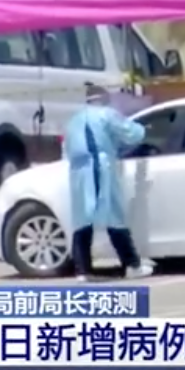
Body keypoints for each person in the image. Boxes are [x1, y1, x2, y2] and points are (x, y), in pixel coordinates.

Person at [64, 84, 154, 281]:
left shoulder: (74, 121)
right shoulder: (107, 115)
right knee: (114, 215)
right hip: (100, 169)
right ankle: (132, 265)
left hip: (78, 173)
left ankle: (83, 270)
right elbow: (131, 133)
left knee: (82, 220)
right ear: (102, 98)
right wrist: (146, 130)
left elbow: (67, 149)